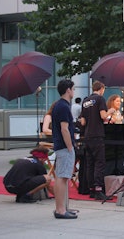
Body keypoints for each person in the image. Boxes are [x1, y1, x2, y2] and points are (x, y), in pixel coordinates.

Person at [80, 81, 115, 200]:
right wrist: (110, 111)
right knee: (100, 162)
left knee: (90, 163)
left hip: (87, 135)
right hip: (97, 134)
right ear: (102, 89)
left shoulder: (85, 101)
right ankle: (99, 189)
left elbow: (83, 122)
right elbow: (103, 116)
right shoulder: (100, 99)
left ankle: (91, 189)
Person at [51, 79, 77, 219]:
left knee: (62, 177)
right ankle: (60, 209)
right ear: (68, 90)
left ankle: (62, 207)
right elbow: (64, 129)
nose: (74, 91)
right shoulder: (63, 107)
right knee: (62, 177)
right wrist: (69, 147)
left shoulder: (59, 105)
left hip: (60, 146)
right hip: (64, 147)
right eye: (73, 89)